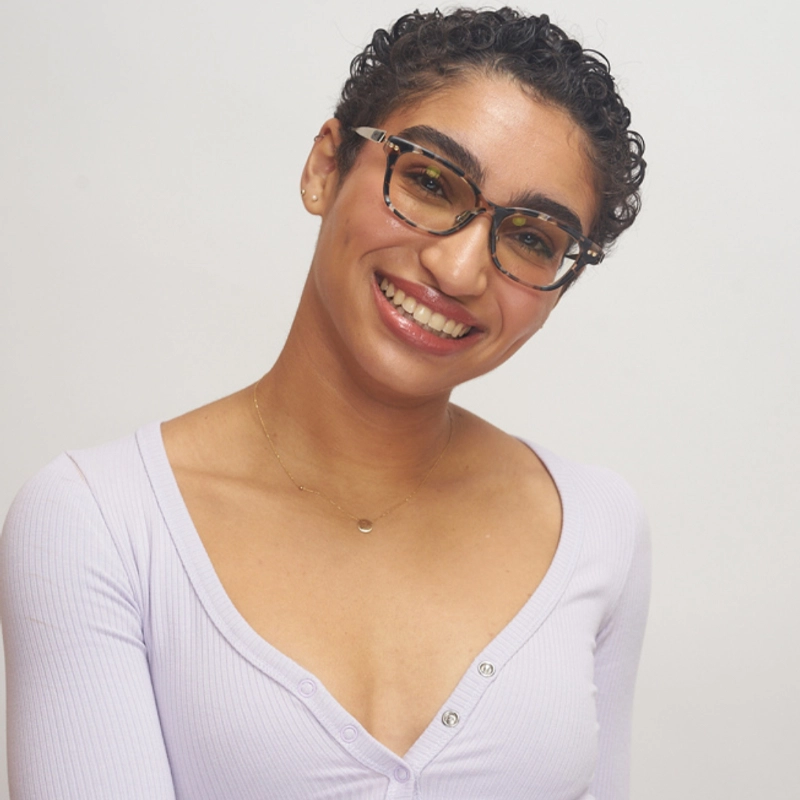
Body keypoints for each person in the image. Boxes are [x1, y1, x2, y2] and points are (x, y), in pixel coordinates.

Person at [0, 7, 649, 799]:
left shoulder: (593, 526)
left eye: (533, 237)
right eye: (429, 181)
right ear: (324, 165)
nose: (458, 268)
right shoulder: (102, 523)